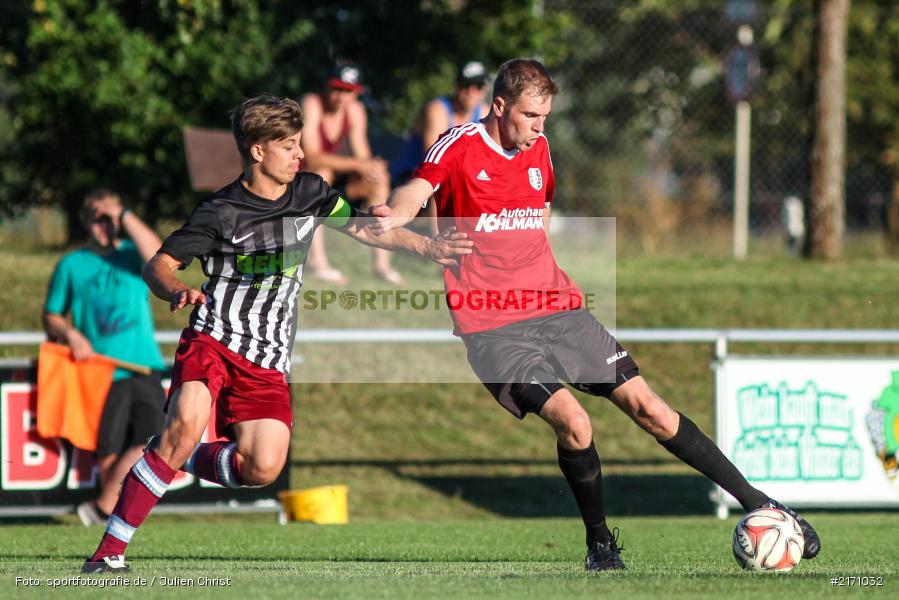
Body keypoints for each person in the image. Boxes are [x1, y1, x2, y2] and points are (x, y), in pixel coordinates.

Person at [372, 58, 821, 571]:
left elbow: (537, 212)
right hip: (494, 329)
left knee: (651, 408)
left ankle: (764, 504)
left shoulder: (538, 147)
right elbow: (418, 188)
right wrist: (397, 212)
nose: (540, 127)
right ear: (499, 106)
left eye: (545, 117)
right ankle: (601, 546)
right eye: (530, 115)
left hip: (558, 310)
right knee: (574, 422)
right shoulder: (458, 146)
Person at [81, 94, 471, 573]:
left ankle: (170, 456)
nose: (300, 155)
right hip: (214, 340)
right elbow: (157, 265)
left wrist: (427, 245)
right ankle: (109, 554)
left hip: (267, 359)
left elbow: (368, 230)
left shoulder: (310, 192)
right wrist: (176, 288)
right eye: (288, 145)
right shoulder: (220, 211)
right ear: (258, 150)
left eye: (300, 144)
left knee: (261, 468)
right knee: (184, 426)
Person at [42, 189, 166, 527]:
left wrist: (123, 214)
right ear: (85, 222)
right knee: (109, 453)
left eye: (110, 219)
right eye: (98, 218)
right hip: (99, 374)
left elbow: (159, 253)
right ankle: (111, 520)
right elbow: (51, 315)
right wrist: (69, 333)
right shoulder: (72, 265)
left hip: (142, 367)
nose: (105, 225)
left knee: (154, 440)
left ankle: (99, 510)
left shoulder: (131, 255)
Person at [300, 62, 402, 285]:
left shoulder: (355, 111)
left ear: (356, 93)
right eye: (337, 89)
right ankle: (318, 263)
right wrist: (361, 165)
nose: (341, 96)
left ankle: (381, 265)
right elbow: (312, 156)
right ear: (327, 86)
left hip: (332, 183)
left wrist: (372, 168)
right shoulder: (311, 103)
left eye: (348, 91)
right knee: (321, 174)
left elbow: (362, 156)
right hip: (298, 188)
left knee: (378, 181)